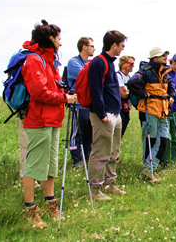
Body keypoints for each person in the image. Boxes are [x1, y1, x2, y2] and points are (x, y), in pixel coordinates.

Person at [21, 19, 77, 228]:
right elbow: (38, 92)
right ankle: (30, 210)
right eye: (59, 39)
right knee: (35, 166)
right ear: (50, 39)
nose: (61, 44)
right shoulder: (35, 60)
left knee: (50, 166)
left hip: (53, 120)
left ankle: (50, 204)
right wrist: (64, 99)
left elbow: (52, 88)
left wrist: (65, 94)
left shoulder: (49, 60)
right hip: (39, 120)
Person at [88, 31, 127, 201]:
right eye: (122, 45)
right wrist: (101, 113)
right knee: (100, 151)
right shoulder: (99, 62)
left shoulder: (110, 63)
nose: (123, 49)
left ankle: (110, 184)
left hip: (115, 113)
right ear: (114, 45)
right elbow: (95, 89)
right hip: (104, 115)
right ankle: (95, 188)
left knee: (113, 151)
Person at [126, 47, 175, 183]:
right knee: (150, 140)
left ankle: (149, 169)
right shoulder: (146, 71)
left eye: (166, 55)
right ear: (155, 57)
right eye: (163, 55)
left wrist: (171, 95)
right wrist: (143, 94)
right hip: (149, 111)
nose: (166, 57)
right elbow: (132, 83)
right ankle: (149, 170)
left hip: (163, 111)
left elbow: (171, 87)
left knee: (163, 140)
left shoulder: (165, 73)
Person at [67, 37, 96, 166]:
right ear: (84, 47)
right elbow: (86, 76)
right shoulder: (73, 62)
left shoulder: (89, 63)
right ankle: (76, 159)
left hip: (88, 103)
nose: (94, 49)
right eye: (92, 46)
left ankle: (87, 157)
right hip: (77, 103)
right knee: (76, 132)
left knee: (88, 132)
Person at [116, 55, 135, 138]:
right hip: (118, 106)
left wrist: (128, 92)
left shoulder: (129, 77)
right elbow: (123, 95)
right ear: (124, 65)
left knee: (125, 122)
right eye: (131, 64)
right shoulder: (118, 76)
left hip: (127, 106)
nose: (133, 66)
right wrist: (131, 92)